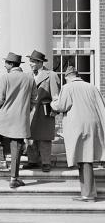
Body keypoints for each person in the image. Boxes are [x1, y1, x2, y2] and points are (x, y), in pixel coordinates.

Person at [51, 66, 105, 202]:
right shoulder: (91, 87)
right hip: (94, 124)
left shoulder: (67, 87)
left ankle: (88, 194)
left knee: (84, 159)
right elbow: (101, 105)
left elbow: (61, 106)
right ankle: (87, 193)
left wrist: (53, 101)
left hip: (78, 126)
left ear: (67, 76)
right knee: (86, 158)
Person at [0, 52, 37, 188]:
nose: (5, 65)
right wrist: (26, 111)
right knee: (16, 147)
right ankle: (14, 178)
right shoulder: (29, 78)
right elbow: (35, 98)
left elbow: (0, 99)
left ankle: (2, 161)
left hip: (4, 116)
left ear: (11, 64)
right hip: (20, 117)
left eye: (6, 63)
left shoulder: (5, 78)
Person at [23, 50, 60, 172]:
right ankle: (32, 161)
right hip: (30, 111)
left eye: (33, 61)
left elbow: (56, 96)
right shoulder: (27, 75)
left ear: (40, 63)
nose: (30, 63)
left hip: (45, 111)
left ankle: (46, 162)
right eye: (30, 61)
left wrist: (55, 110)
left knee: (44, 138)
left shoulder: (51, 75)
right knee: (30, 137)